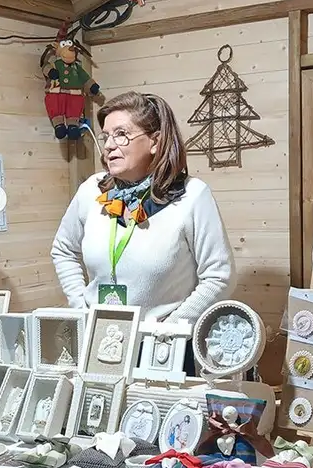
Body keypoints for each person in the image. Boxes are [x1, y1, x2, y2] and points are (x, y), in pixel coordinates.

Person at [50, 91, 235, 368]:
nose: (109, 146)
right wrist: (81, 308)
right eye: (106, 136)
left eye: (121, 135)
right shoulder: (91, 191)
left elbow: (220, 276)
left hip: (164, 351)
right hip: (100, 342)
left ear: (155, 142)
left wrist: (168, 330)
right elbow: (63, 250)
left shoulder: (192, 196)